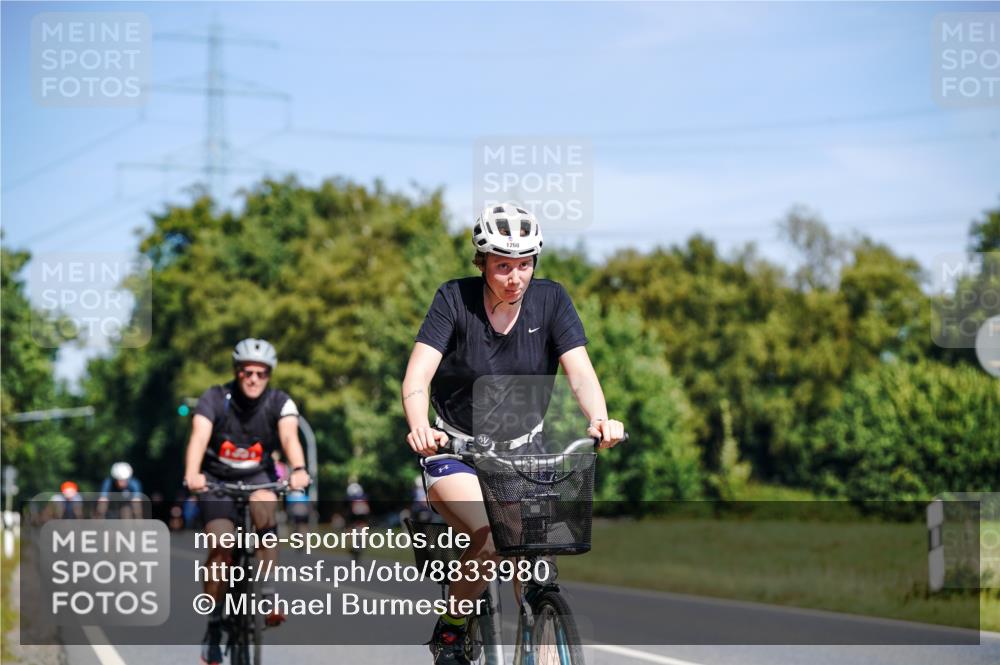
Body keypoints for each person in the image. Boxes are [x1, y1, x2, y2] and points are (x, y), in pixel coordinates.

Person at [400, 203, 626, 665]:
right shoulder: (453, 300)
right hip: (457, 451)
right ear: (481, 262)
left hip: (526, 451)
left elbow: (579, 372)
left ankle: (539, 632)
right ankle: (454, 626)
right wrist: (420, 427)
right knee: (487, 534)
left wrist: (601, 418)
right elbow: (418, 377)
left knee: (533, 547)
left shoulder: (552, 300)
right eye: (503, 265)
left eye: (525, 264)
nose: (515, 277)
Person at [183, 338, 311, 665]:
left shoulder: (279, 402)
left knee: (265, 505)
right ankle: (214, 623)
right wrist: (192, 472)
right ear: (236, 372)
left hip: (258, 478)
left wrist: (298, 469)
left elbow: (288, 437)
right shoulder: (215, 398)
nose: (254, 379)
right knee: (221, 543)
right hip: (216, 481)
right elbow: (199, 435)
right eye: (247, 372)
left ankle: (266, 595)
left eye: (261, 373)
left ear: (269, 375)